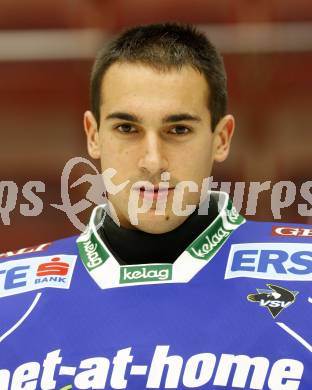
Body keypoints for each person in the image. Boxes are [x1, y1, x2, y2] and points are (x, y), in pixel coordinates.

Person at [1, 23, 311, 390]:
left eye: (178, 130)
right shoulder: (9, 298)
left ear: (221, 138)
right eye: (127, 129)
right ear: (93, 135)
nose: (152, 161)